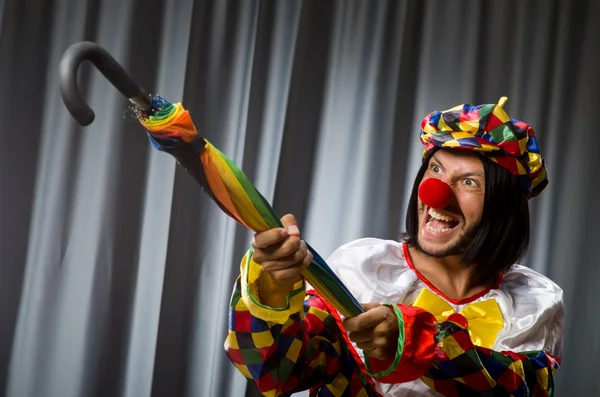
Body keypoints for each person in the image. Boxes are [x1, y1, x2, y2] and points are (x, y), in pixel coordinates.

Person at [224, 97, 563, 396]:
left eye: (469, 182)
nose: (437, 194)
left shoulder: (533, 304)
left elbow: (523, 388)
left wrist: (420, 346)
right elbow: (278, 374)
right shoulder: (362, 271)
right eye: (436, 169)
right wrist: (272, 288)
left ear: (503, 208)